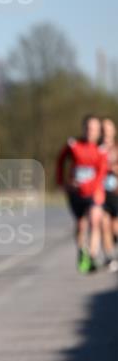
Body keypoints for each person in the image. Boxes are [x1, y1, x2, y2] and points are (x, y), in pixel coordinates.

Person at [56, 114, 107, 273]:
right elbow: (60, 161)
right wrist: (62, 182)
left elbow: (101, 173)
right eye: (88, 128)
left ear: (99, 131)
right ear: (83, 128)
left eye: (94, 129)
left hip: (94, 192)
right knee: (81, 224)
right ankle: (81, 250)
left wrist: (89, 186)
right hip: (75, 193)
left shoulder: (101, 150)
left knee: (94, 219)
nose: (91, 131)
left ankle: (92, 256)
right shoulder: (73, 144)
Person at [100, 118, 118, 271]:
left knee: (115, 227)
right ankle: (109, 257)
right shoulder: (97, 148)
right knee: (104, 224)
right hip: (101, 193)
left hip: (116, 193)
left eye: (109, 128)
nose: (106, 131)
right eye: (103, 128)